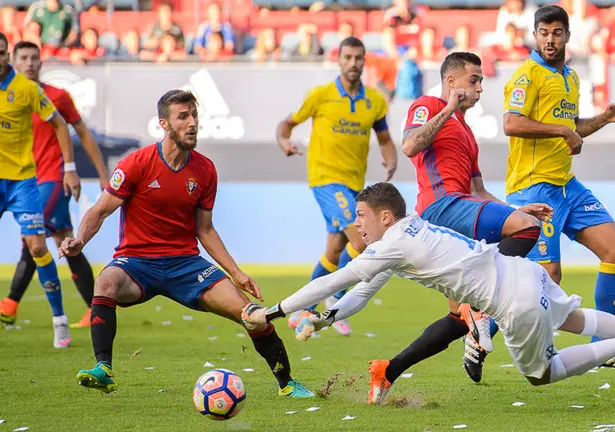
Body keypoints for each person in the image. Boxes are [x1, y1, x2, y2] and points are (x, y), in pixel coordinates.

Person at [242, 182, 615, 405]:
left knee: (541, 375)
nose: (357, 224)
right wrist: (328, 317)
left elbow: (331, 281)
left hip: (510, 302)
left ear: (385, 215)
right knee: (576, 320)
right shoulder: (409, 229)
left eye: (361, 216)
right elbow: (361, 291)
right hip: (523, 273)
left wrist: (275, 311)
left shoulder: (391, 243)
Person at [59, 90, 313, 398]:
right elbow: (99, 211)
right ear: (164, 124)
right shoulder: (136, 163)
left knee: (252, 315)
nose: (192, 123)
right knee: (107, 281)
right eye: (183, 116)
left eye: (194, 115)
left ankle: (287, 384)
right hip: (137, 262)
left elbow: (205, 230)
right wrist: (80, 241)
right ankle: (104, 369)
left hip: (186, 265)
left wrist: (236, 272)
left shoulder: (205, 170)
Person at [397, 51, 552, 384]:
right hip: (442, 206)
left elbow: (478, 190)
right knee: (529, 230)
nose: (480, 87)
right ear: (451, 82)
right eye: (474, 79)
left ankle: (388, 371)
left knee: (456, 318)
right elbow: (410, 146)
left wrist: (514, 211)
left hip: (461, 205)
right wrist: (448, 108)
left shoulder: (466, 132)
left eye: (480, 80)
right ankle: (482, 308)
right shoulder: (428, 104)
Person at [503, 5, 615, 369]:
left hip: (567, 186)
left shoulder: (571, 78)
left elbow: (572, 126)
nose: (550, 39)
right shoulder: (526, 76)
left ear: (567, 35)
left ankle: (605, 346)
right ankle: (492, 330)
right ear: (534, 35)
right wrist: (563, 131)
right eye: (543, 32)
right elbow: (512, 123)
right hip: (532, 189)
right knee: (548, 277)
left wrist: (603, 120)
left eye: (557, 32)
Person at [275, 36, 398, 336]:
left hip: (354, 184)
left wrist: (390, 159)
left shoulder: (375, 101)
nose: (353, 63)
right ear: (339, 60)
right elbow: (287, 123)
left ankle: (302, 309)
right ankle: (336, 298)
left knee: (334, 248)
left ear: (364, 60)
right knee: (360, 240)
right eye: (348, 57)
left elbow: (384, 138)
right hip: (325, 180)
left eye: (358, 58)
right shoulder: (320, 95)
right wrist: (284, 141)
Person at [0, 41, 110, 329]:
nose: (30, 62)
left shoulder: (57, 96)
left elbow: (83, 133)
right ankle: (96, 309)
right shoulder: (12, 95)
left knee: (32, 240)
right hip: (22, 180)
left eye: (35, 57)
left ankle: (9, 304)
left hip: (52, 179)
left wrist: (99, 172)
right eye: (23, 57)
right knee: (65, 242)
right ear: (14, 60)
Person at [0, 32, 80, 348]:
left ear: (7, 54)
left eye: (2, 52)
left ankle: (59, 320)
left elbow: (60, 123)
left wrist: (70, 168)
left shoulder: (26, 89)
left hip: (22, 182)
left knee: (36, 247)